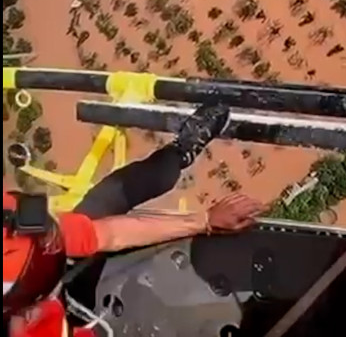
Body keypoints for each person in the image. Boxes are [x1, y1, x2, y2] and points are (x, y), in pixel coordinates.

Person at [3, 103, 265, 336]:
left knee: (113, 193)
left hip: (61, 295)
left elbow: (107, 234)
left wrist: (205, 220)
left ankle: (179, 152)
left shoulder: (16, 227)